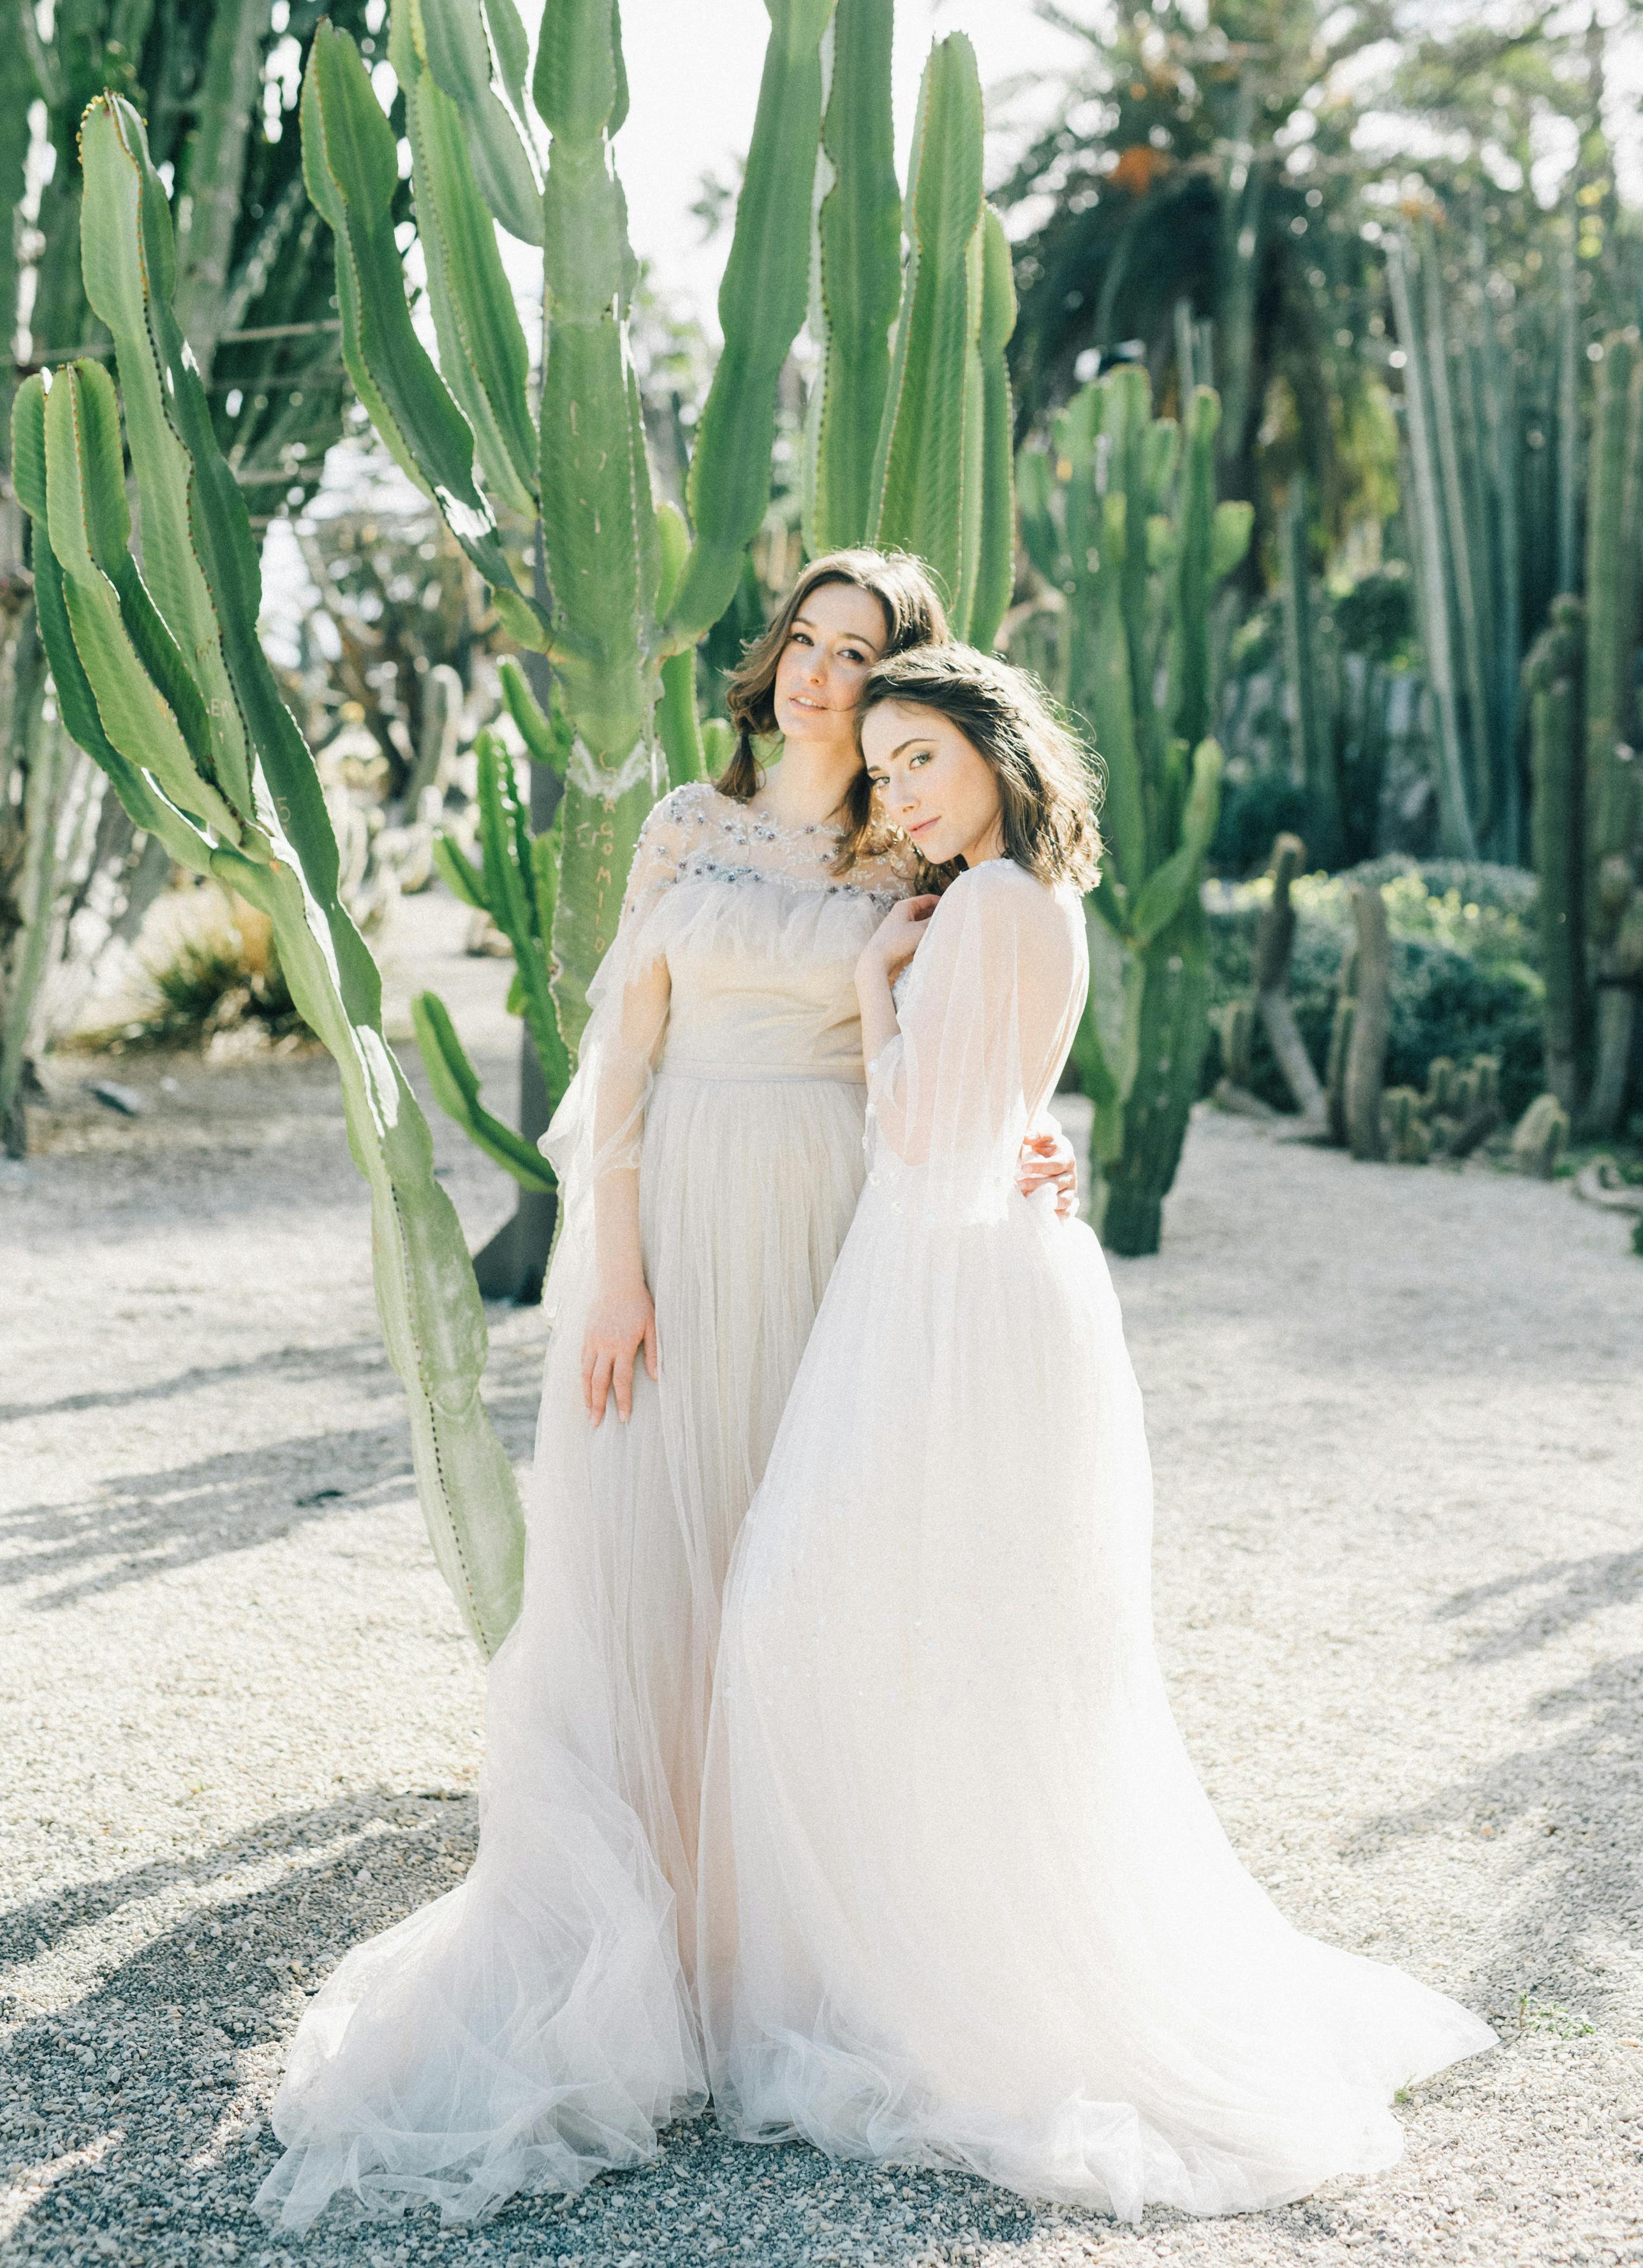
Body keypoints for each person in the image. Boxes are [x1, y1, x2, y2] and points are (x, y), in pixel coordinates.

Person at [256, 559, 1075, 2230]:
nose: (820, 678)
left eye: (861, 658)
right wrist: (607, 1260)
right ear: (769, 655)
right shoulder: (687, 832)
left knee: (786, 1583)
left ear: (899, 691)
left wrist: (1032, 1151)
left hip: (827, 1237)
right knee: (639, 1568)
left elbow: (972, 1064)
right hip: (674, 1217)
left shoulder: (907, 857)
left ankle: (774, 1945)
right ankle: (635, 1949)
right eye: (806, 643)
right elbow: (616, 1053)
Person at [700, 643, 1496, 2223]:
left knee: (838, 1613)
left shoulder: (985, 907)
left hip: (944, 1274)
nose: (902, 794)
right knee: (974, 1631)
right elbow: (1008, 1112)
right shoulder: (1041, 900)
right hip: (1008, 1269)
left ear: (996, 748)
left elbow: (926, 1133)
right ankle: (960, 1934)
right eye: (884, 770)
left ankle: (934, 1971)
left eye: (923, 755)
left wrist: (871, 997)